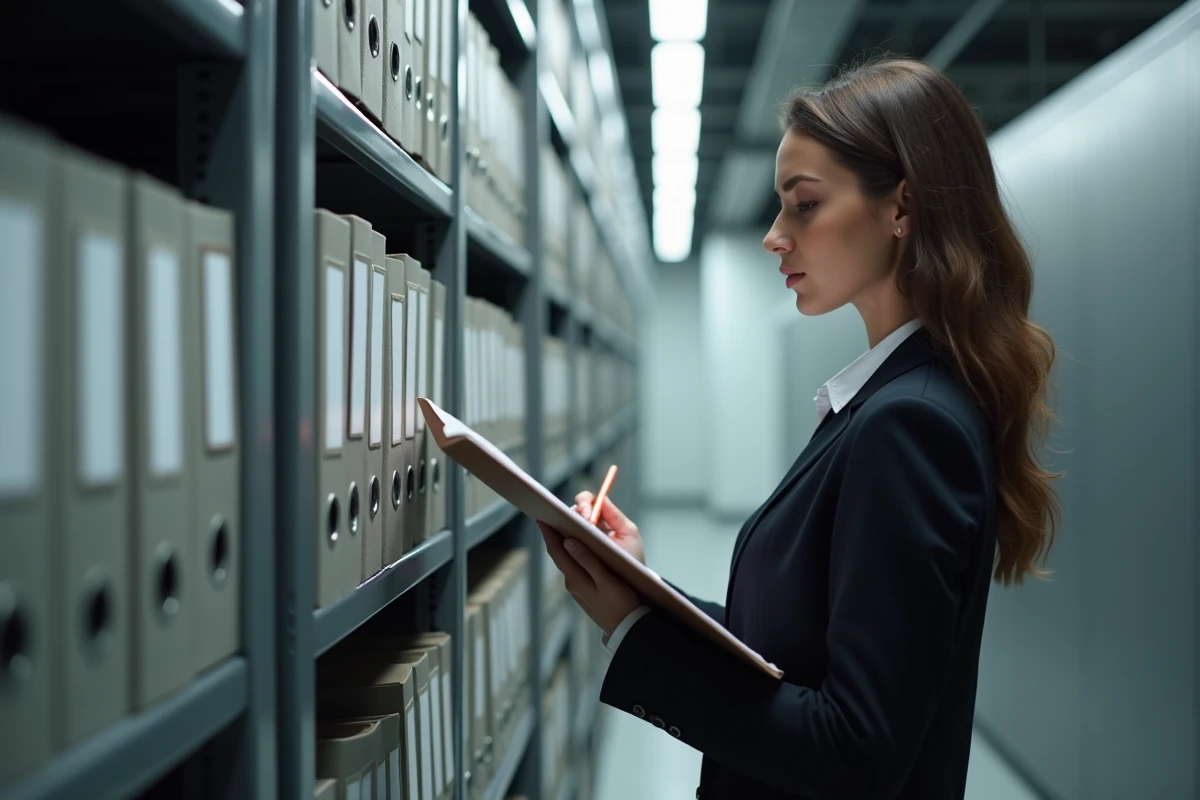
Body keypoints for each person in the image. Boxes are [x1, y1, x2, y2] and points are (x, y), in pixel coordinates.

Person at [538, 55, 1061, 800]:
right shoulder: (884, 402)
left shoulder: (907, 424)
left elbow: (856, 751)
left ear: (902, 208)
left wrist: (636, 636)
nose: (774, 235)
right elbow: (797, 650)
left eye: (804, 205)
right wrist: (642, 588)